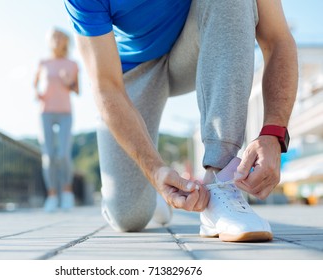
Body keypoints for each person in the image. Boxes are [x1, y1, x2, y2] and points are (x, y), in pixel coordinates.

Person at [64, 0, 298, 241]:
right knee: (128, 217)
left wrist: (273, 133)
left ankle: (220, 182)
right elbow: (106, 87)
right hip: (134, 69)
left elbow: (277, 38)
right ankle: (149, 196)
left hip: (193, 42)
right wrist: (154, 171)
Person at [34, 28, 79, 212]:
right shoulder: (43, 62)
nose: (57, 40)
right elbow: (34, 83)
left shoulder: (72, 64)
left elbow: (77, 90)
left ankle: (67, 194)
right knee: (48, 157)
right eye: (54, 37)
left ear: (65, 41)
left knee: (63, 154)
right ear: (49, 40)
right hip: (45, 112)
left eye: (60, 37)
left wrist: (68, 81)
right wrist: (37, 93)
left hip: (65, 113)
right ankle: (52, 196)